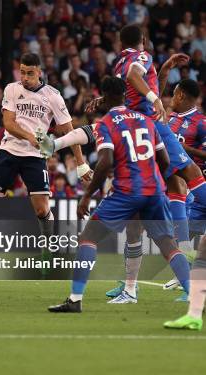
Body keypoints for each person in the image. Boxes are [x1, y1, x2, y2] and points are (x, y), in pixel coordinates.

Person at [48, 77, 191, 313]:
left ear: (104, 96)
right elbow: (165, 161)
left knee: (88, 238)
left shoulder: (107, 123)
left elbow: (105, 163)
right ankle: (196, 296)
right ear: (125, 94)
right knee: (167, 244)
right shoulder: (147, 121)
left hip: (127, 190)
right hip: (154, 190)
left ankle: (75, 299)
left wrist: (87, 196)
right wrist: (159, 188)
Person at [0, 53, 89, 274]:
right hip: (9, 150)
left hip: (35, 157)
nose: (25, 77)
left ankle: (48, 248)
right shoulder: (12, 89)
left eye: (30, 73)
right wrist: (31, 137)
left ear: (39, 72)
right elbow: (8, 124)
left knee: (41, 209)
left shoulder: (53, 96)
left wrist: (81, 163)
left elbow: (70, 131)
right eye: (22, 71)